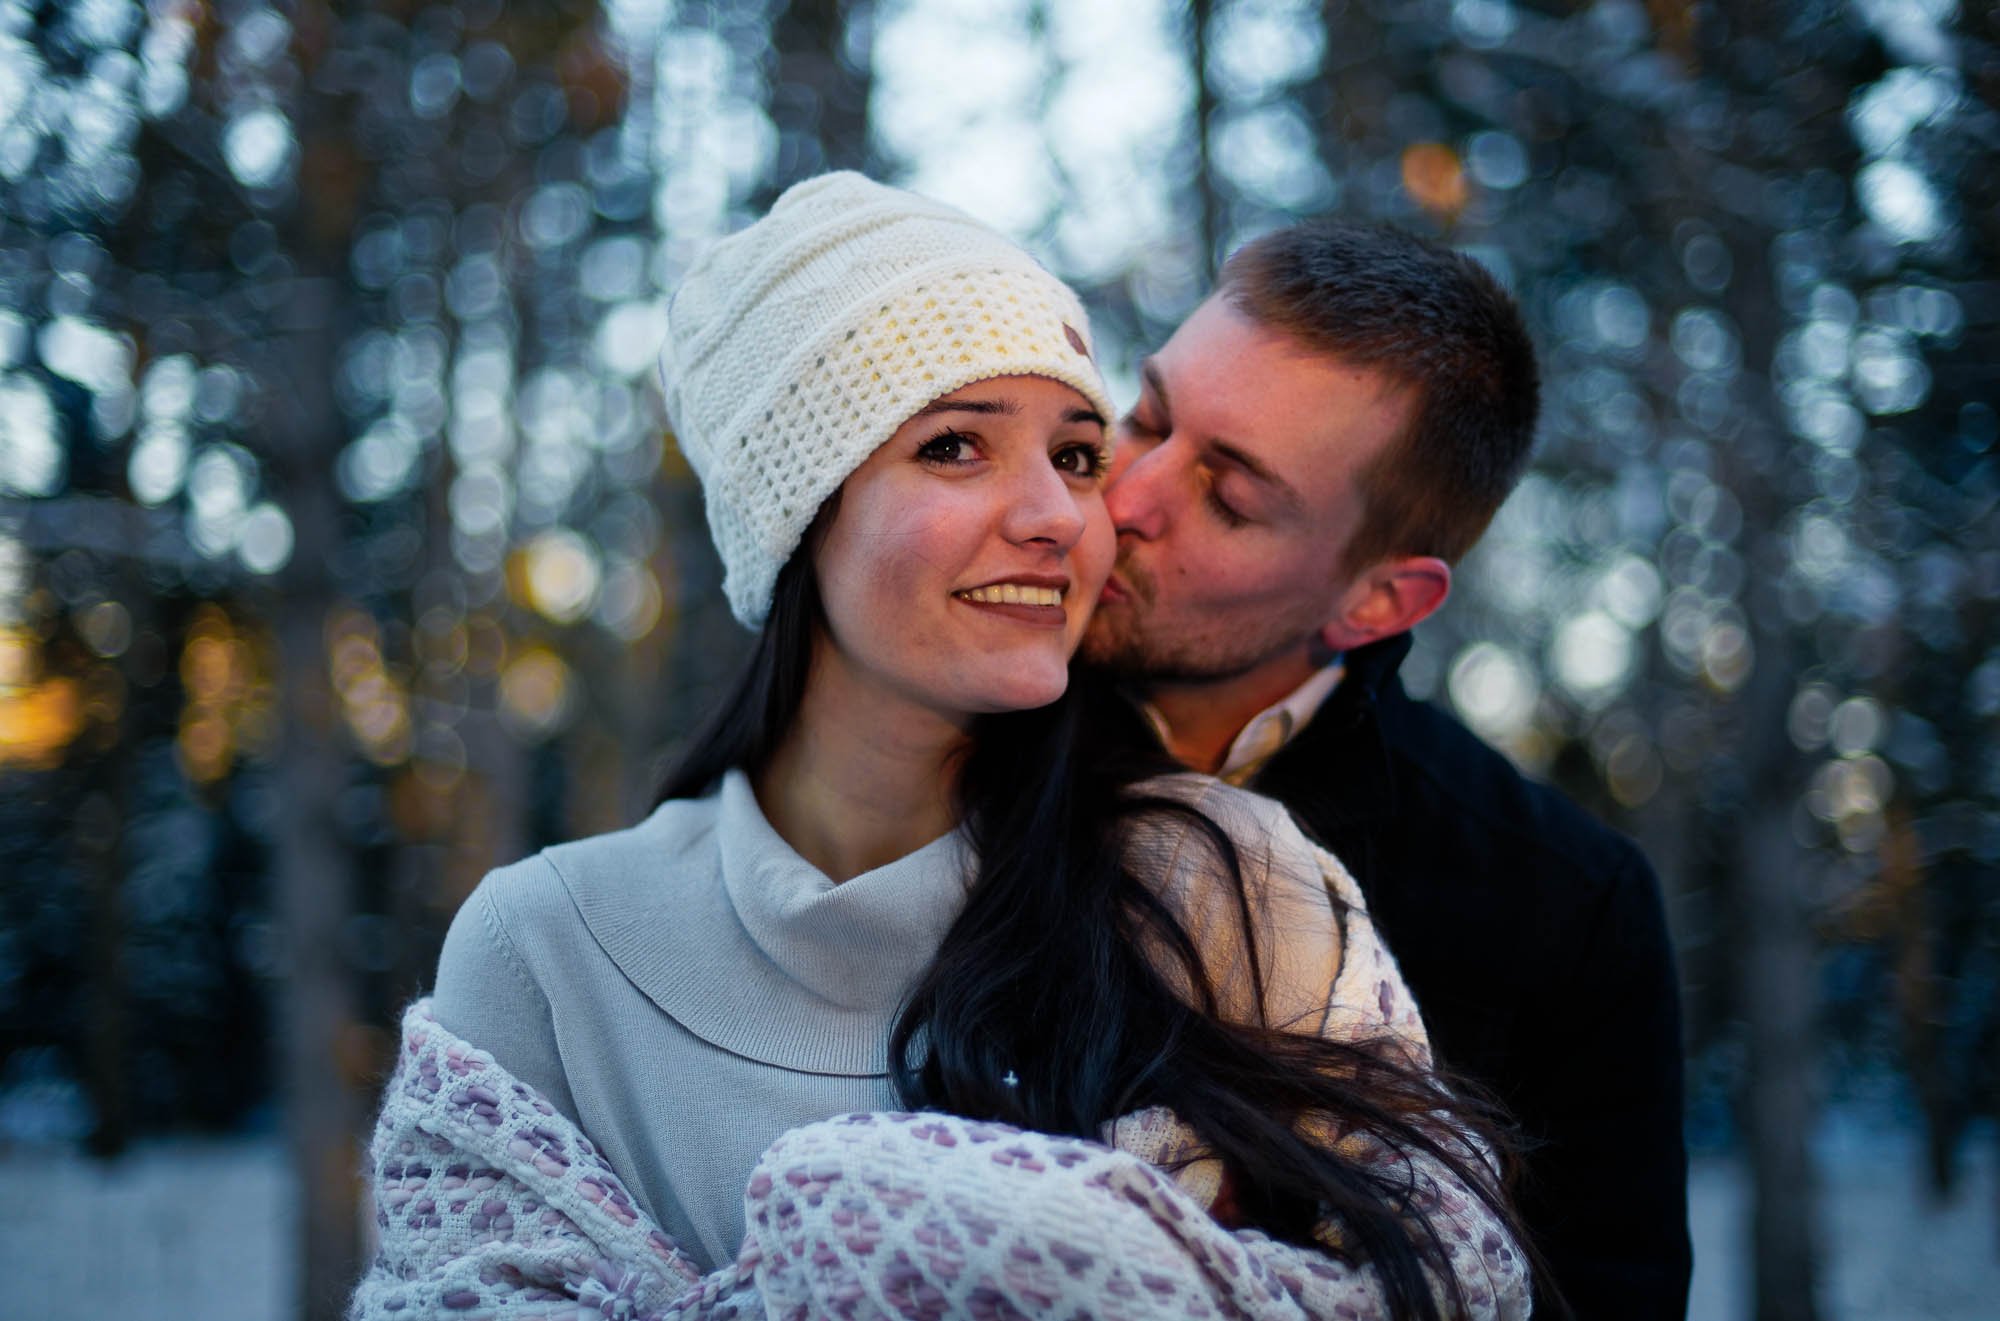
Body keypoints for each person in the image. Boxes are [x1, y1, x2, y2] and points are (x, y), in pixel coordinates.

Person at [350, 175, 1532, 1320]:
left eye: (1074, 453)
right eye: (955, 447)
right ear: (796, 514)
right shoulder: (548, 949)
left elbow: (1439, 1281)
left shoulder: (1229, 889)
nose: (1065, 516)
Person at [1082, 219, 1692, 1318]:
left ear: (1377, 601)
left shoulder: (1559, 907)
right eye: (1148, 416)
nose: (1125, 497)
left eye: (1228, 497)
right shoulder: (948, 721)